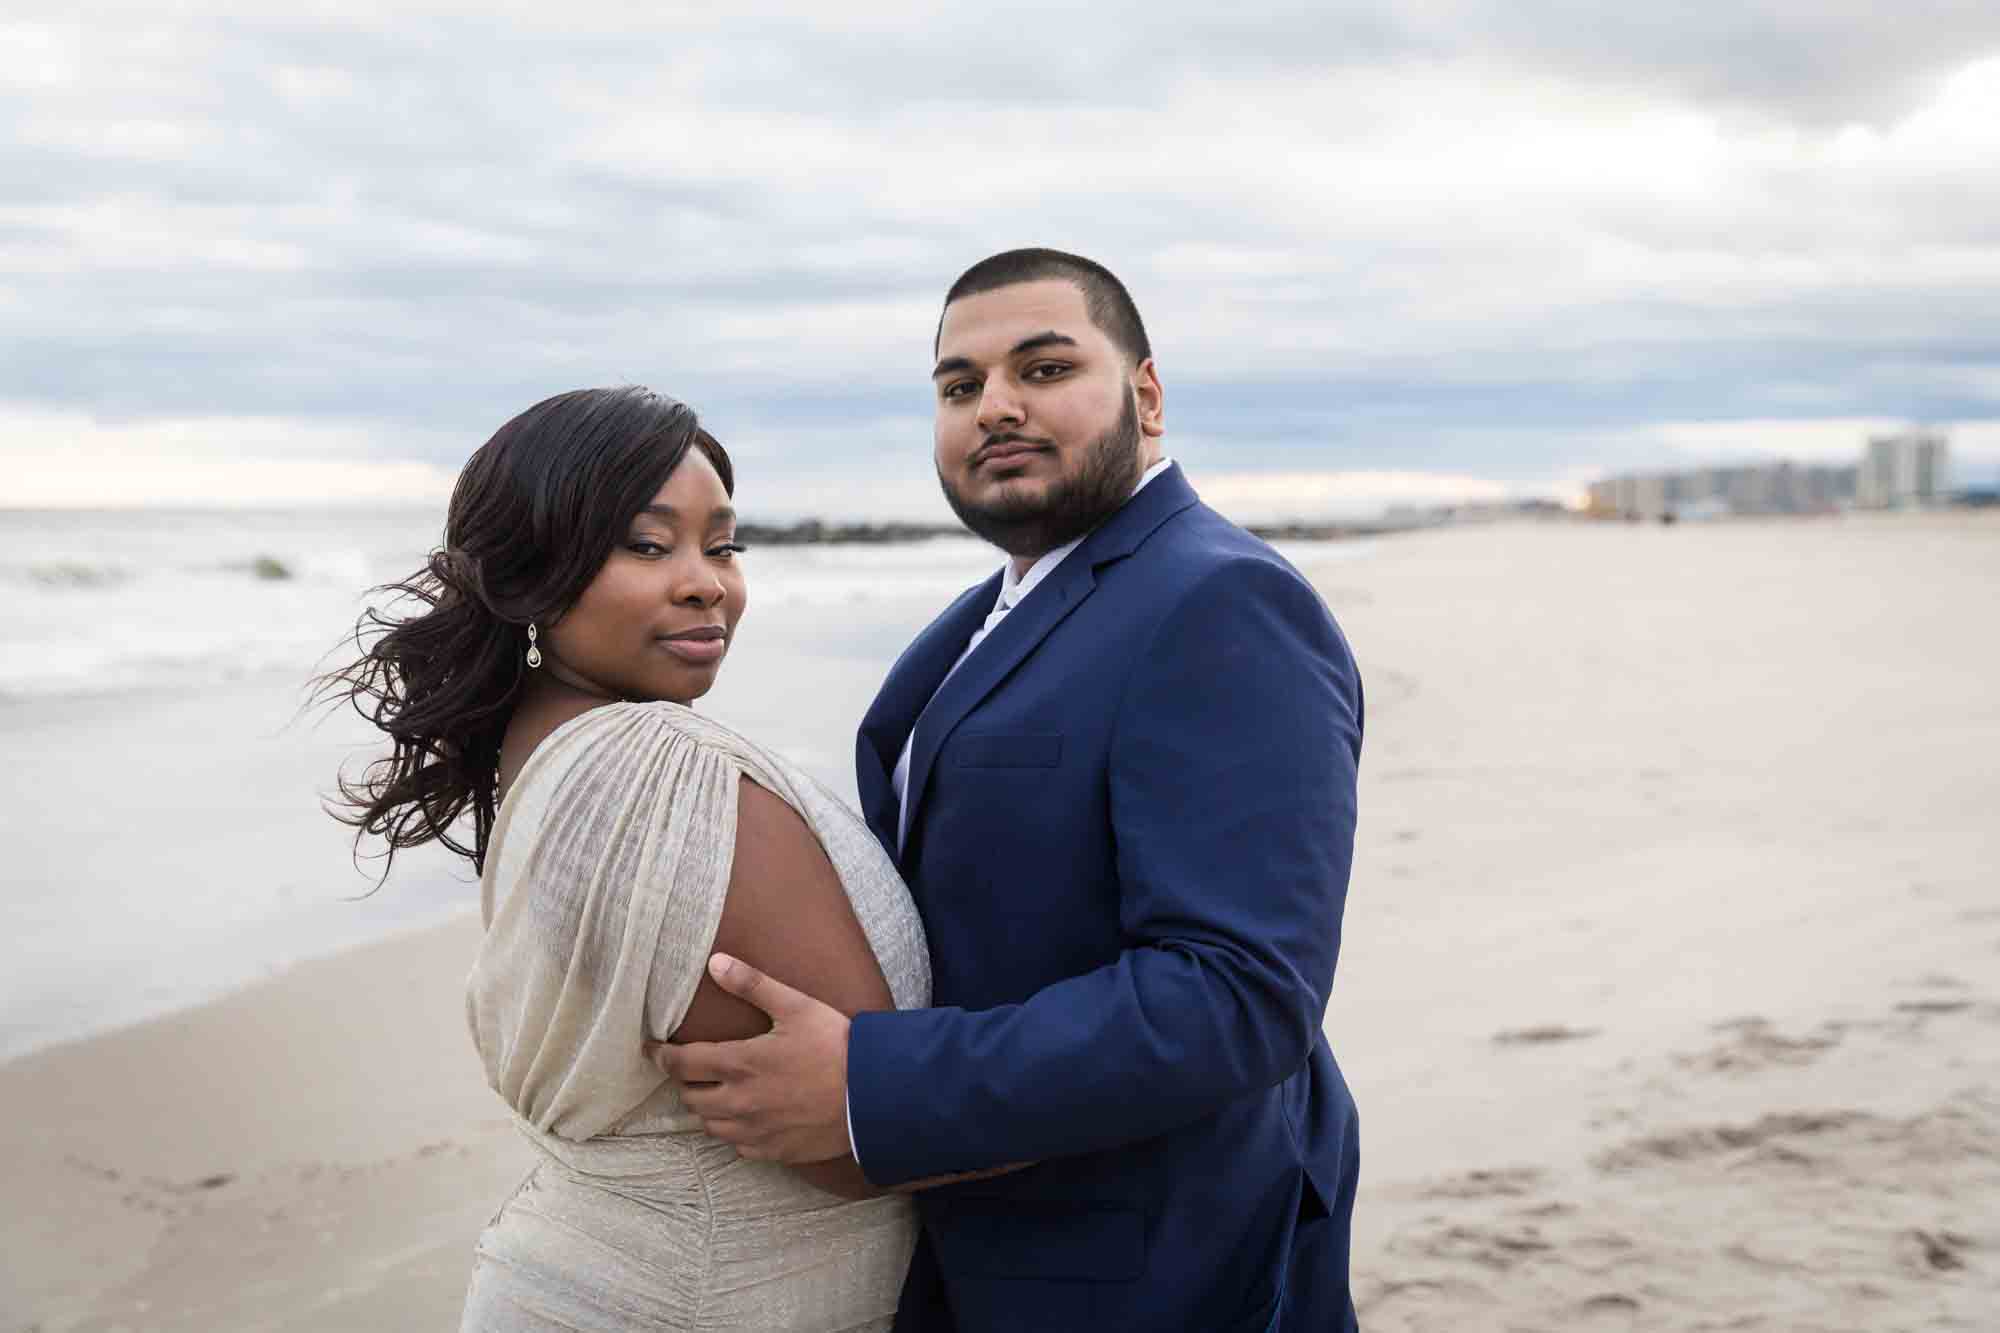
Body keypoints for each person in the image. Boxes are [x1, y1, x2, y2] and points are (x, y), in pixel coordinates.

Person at [656, 250, 1365, 1331]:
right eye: (958, 385)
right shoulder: (982, 619)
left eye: (1041, 368)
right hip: (989, 1241)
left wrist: (868, 1085)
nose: (994, 407)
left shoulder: (1222, 602)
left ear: (1146, 395)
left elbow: (1235, 997)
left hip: (1156, 1264)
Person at [318, 386, 934, 1332]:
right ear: (535, 571)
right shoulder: (655, 769)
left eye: (722, 544)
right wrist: (1145, 1095)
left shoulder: (545, 737)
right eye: (648, 545)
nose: (706, 583)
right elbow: (854, 1138)